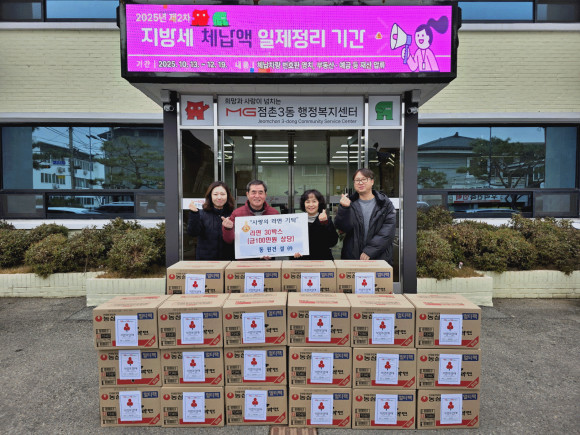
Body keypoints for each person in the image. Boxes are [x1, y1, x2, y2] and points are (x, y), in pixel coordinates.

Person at [334, 168, 396, 263]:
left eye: (364, 179)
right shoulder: (350, 203)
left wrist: (370, 250)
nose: (360, 182)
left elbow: (388, 231)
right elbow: (342, 228)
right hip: (352, 256)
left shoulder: (384, 204)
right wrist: (344, 209)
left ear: (372, 181)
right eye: (357, 180)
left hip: (379, 257)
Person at [222, 179, 279, 249]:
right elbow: (229, 240)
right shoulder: (237, 214)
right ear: (247, 194)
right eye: (253, 192)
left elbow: (279, 238)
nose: (257, 196)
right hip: (246, 255)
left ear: (265, 195)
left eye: (260, 193)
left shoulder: (274, 213)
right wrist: (228, 228)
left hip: (268, 254)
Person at [187, 181, 235, 260]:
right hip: (206, 262)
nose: (219, 197)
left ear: (228, 196)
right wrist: (194, 213)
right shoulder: (201, 214)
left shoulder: (233, 214)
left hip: (228, 261)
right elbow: (192, 232)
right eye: (215, 194)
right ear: (210, 196)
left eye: (223, 194)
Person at [293, 189, 338, 260]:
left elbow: (332, 242)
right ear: (304, 204)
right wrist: (293, 252)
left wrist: (324, 223)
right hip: (303, 261)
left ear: (319, 203)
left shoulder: (326, 219)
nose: (311, 205)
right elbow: (293, 242)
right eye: (307, 202)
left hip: (323, 260)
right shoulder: (297, 221)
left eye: (314, 201)